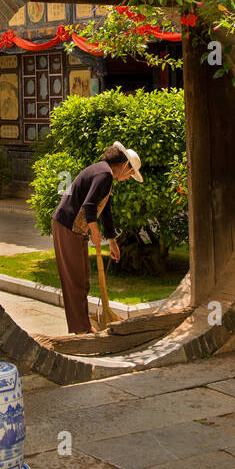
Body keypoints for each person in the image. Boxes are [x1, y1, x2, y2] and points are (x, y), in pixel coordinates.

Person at [51, 142, 143, 334]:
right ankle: (82, 329)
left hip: (75, 229)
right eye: (130, 174)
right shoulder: (104, 174)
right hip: (67, 226)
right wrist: (95, 231)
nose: (128, 178)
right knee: (75, 280)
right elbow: (89, 205)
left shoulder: (104, 174)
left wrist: (112, 241)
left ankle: (82, 326)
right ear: (125, 165)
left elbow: (106, 210)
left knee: (82, 278)